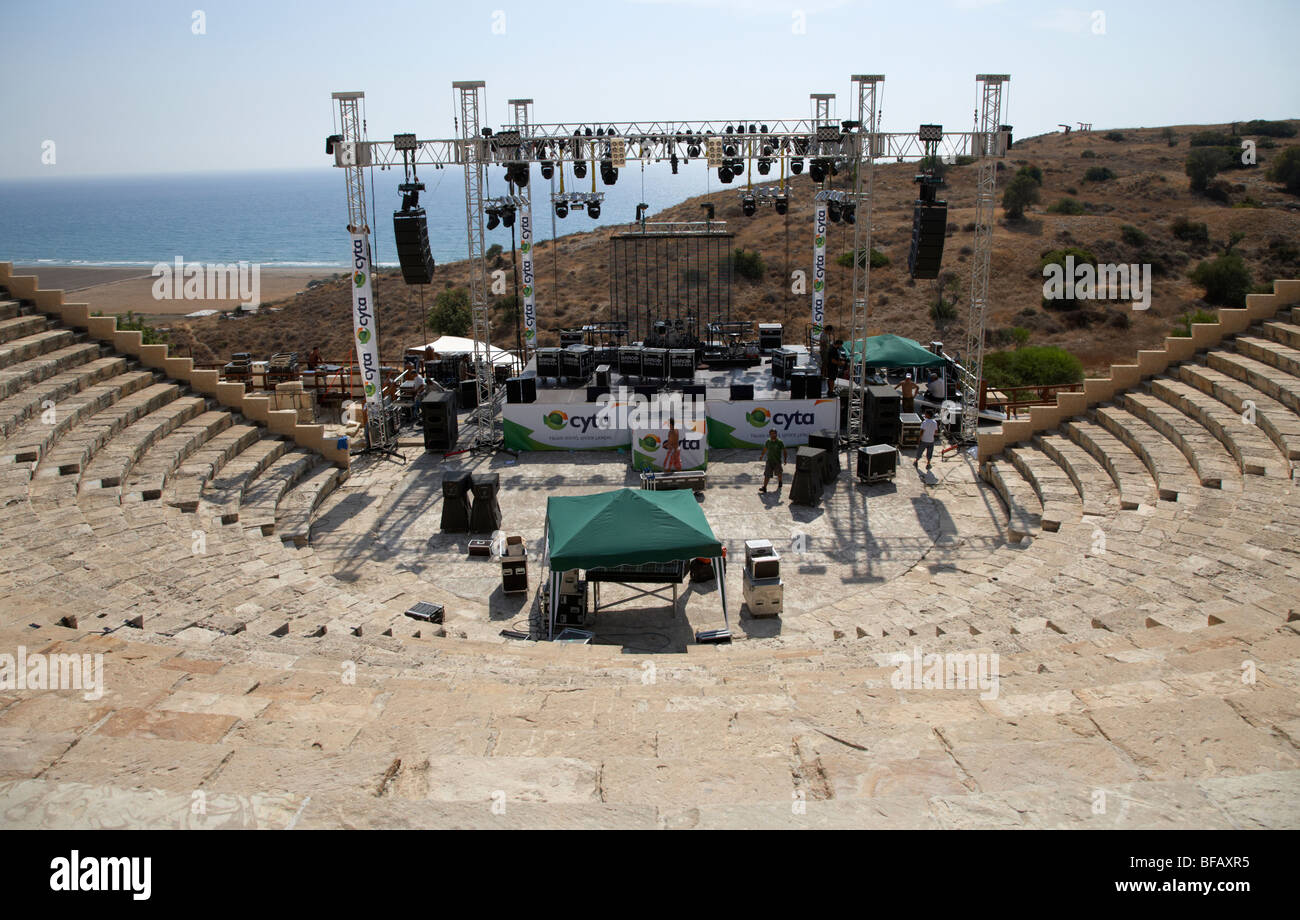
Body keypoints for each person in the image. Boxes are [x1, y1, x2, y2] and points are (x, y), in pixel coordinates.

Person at [758, 429, 788, 496]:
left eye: (774, 433)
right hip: (769, 461)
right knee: (767, 474)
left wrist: (785, 459)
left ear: (776, 434)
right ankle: (764, 487)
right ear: (769, 434)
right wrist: (762, 455)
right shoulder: (768, 441)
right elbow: (765, 449)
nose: (772, 435)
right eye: (771, 434)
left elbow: (784, 451)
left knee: (779, 473)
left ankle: (780, 481)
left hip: (777, 461)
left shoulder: (780, 442)